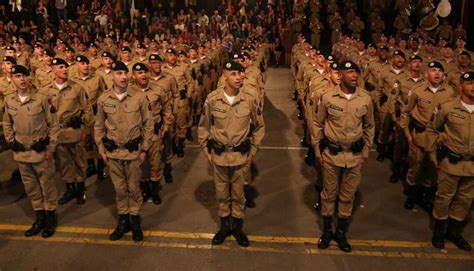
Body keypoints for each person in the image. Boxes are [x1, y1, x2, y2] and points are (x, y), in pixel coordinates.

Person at [198, 60, 265, 247]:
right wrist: (206, 151)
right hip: (219, 156)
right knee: (221, 194)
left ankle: (237, 227)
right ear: (224, 77)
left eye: (241, 73)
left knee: (238, 194)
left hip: (241, 156)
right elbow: (203, 127)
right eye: (234, 74)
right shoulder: (212, 99)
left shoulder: (250, 98)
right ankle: (224, 227)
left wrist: (252, 151)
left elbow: (259, 126)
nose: (239, 77)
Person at [314, 61, 375, 253]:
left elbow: (369, 127)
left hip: (355, 156)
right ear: (340, 75)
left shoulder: (365, 99)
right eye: (349, 72)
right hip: (332, 155)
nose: (354, 75)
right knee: (329, 194)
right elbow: (318, 124)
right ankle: (326, 232)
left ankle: (340, 232)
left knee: (348, 197)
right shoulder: (328, 97)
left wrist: (365, 153)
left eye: (356, 72)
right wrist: (318, 152)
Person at [94, 61, 153, 242]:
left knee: (134, 188)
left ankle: (135, 221)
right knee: (120, 190)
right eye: (118, 73)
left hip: (133, 152)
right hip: (113, 153)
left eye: (125, 73)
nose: (123, 77)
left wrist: (144, 149)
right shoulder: (104, 99)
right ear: (111, 75)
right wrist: (102, 149)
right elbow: (98, 126)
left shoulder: (139, 97)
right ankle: (123, 220)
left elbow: (148, 125)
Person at [3, 65, 59, 238]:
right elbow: (7, 123)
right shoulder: (9, 100)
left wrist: (51, 148)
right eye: (17, 76)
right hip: (21, 153)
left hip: (41, 152)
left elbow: (54, 124)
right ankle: (39, 217)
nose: (21, 79)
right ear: (12, 79)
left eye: (24, 76)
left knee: (47, 187)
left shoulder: (42, 98)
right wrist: (11, 141)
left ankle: (50, 219)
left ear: (30, 77)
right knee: (32, 188)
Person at [400, 61, 457, 211]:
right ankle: (411, 195)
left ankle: (426, 196)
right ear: (426, 74)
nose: (437, 73)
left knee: (433, 169)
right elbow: (405, 112)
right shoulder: (418, 90)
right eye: (433, 70)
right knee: (415, 167)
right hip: (420, 136)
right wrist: (407, 134)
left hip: (438, 139)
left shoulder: (450, 92)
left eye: (440, 70)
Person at [426, 71, 473, 252]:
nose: (473, 87)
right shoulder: (447, 107)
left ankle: (454, 232)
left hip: (472, 166)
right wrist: (432, 154)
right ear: (461, 85)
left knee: (465, 200)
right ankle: (439, 233)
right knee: (444, 198)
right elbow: (432, 129)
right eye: (470, 83)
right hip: (450, 163)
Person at [40, 58, 90, 205]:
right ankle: (70, 189)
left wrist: (86, 131)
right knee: (64, 163)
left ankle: (80, 189)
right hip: (58, 134)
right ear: (54, 70)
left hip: (75, 132)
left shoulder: (77, 88)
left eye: (66, 67)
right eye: (61, 67)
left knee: (79, 162)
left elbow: (87, 110)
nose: (65, 70)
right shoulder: (45, 91)